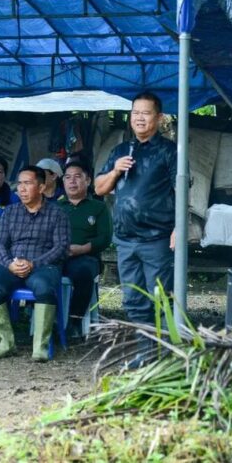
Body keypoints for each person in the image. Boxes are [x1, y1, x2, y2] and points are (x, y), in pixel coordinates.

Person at [95, 91, 177, 359]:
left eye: (146, 113)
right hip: (125, 239)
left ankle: (165, 359)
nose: (139, 118)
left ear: (159, 117)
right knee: (133, 300)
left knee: (161, 300)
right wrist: (116, 169)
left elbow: (184, 191)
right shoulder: (120, 150)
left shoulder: (169, 150)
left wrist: (179, 228)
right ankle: (145, 356)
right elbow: (99, 188)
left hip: (157, 238)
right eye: (135, 113)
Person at [0, 165, 70, 362]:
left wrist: (33, 263)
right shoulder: (10, 212)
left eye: (28, 183)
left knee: (43, 287)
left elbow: (61, 248)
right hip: (13, 265)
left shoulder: (57, 214)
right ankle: (6, 343)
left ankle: (40, 347)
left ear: (41, 187)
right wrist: (8, 264)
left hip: (43, 266)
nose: (21, 189)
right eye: (19, 184)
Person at [58, 162, 112, 332]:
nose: (72, 181)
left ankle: (74, 321)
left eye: (77, 177)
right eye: (67, 177)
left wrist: (82, 249)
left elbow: (105, 238)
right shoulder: (55, 207)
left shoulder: (99, 207)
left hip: (86, 257)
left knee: (83, 273)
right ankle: (49, 320)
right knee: (40, 271)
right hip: (57, 256)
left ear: (88, 181)